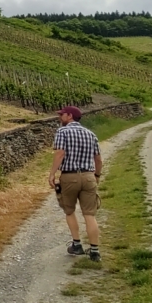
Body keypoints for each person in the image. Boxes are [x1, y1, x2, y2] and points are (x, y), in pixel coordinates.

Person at [48, 106, 103, 261]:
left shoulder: (62, 132)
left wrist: (52, 173)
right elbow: (98, 159)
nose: (60, 117)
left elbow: (60, 153)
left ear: (69, 116)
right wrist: (96, 176)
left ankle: (77, 244)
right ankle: (94, 251)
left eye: (62, 115)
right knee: (89, 214)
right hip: (88, 176)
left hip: (69, 176)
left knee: (69, 210)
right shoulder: (91, 134)